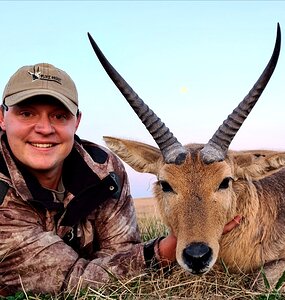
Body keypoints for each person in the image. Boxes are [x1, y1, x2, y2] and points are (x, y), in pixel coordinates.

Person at [0, 62, 241, 296]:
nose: (44, 128)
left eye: (59, 116)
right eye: (26, 113)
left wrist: (198, 229)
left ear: (77, 122)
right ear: (2, 117)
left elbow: (121, 253)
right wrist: (161, 252)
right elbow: (66, 282)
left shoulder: (104, 170)